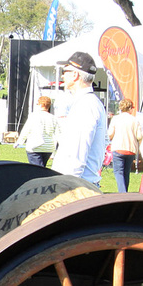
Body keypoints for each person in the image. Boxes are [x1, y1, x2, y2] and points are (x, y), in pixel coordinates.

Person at [50, 51, 108, 186]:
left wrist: (67, 187)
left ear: (75, 75)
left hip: (76, 185)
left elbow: (77, 152)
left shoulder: (86, 105)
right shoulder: (90, 103)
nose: (63, 76)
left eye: (65, 71)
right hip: (82, 183)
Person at [107, 100, 143, 192]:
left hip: (118, 148)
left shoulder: (115, 119)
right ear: (130, 108)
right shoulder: (135, 120)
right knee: (126, 172)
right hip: (131, 149)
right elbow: (139, 136)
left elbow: (110, 134)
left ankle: (122, 192)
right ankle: (125, 191)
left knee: (118, 172)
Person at [18, 95, 58, 167]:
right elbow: (57, 133)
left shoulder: (34, 116)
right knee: (42, 167)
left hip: (35, 146)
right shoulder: (53, 118)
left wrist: (19, 141)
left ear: (40, 105)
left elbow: (26, 129)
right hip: (48, 147)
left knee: (37, 169)